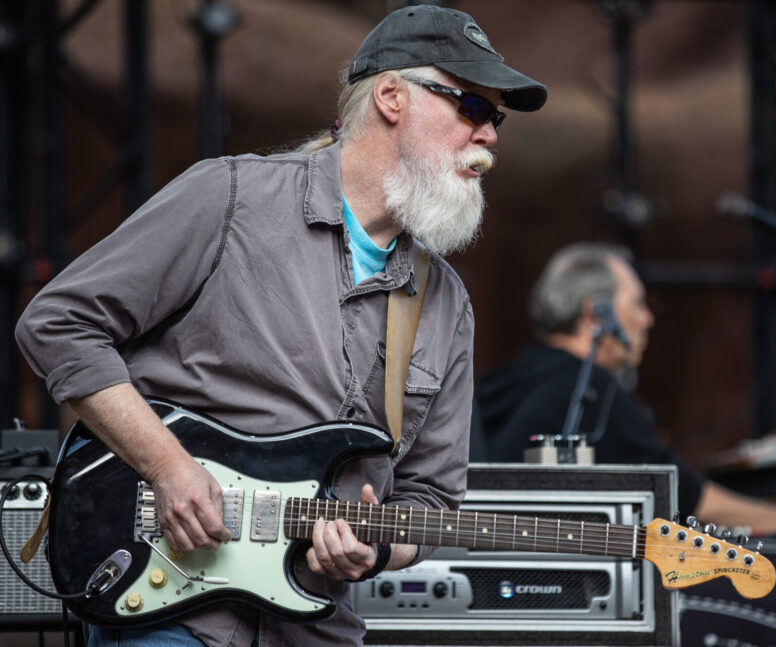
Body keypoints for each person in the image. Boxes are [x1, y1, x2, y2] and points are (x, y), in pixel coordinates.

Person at [15, 5, 546, 647]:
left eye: (497, 118)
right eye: (473, 108)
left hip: (315, 628)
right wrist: (168, 467)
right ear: (391, 96)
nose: (489, 135)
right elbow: (58, 323)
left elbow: (429, 504)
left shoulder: (446, 303)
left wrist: (374, 553)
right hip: (171, 606)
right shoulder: (231, 200)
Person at [477, 242, 776, 535]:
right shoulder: (592, 390)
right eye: (638, 303)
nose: (647, 320)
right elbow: (687, 497)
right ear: (598, 314)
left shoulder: (502, 382)